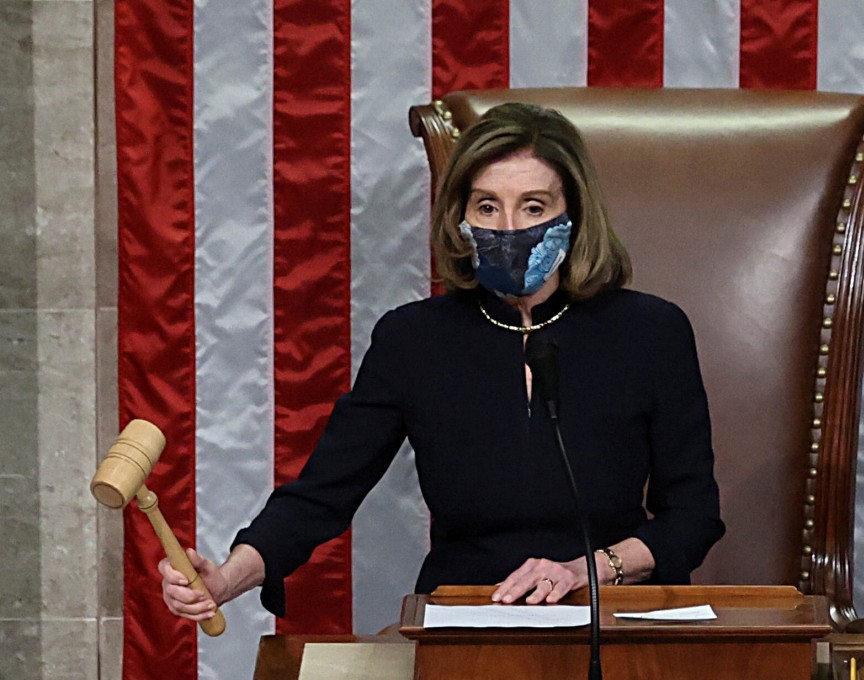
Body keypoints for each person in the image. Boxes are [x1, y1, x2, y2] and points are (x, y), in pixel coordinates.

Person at [159, 102, 725, 624]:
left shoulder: (651, 331)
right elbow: (322, 493)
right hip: (467, 614)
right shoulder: (414, 339)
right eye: (487, 206)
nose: (509, 229)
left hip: (612, 613)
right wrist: (230, 575)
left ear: (573, 214)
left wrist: (585, 572)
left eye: (533, 206)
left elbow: (693, 515)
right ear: (460, 218)